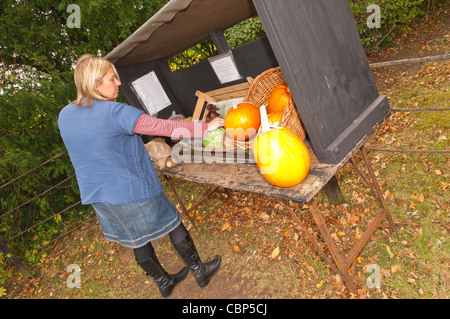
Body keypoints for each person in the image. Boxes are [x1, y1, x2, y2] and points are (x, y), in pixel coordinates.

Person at [58, 54, 224, 298]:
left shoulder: (66, 115)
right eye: (112, 78)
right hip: (131, 189)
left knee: (136, 238)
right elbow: (162, 127)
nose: (119, 83)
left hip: (99, 197)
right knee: (173, 223)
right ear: (95, 85)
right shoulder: (116, 112)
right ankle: (200, 271)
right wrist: (204, 127)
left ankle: (164, 282)